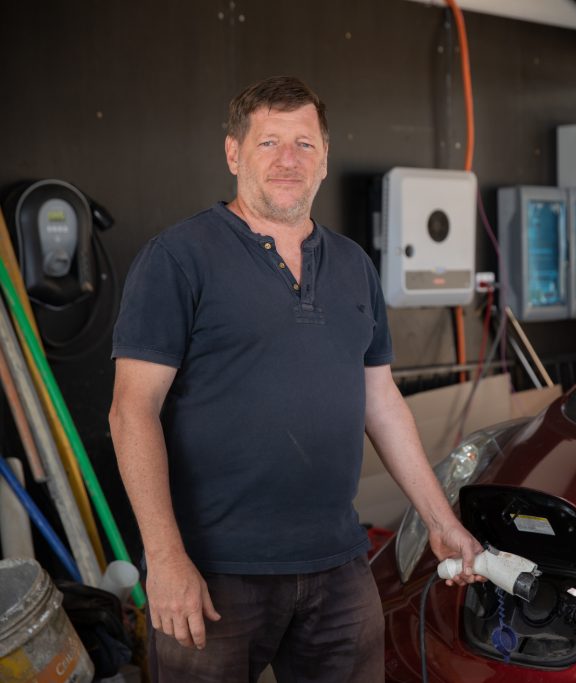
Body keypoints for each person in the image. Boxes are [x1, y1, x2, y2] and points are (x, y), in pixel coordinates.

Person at [108, 75, 483, 682]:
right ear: (233, 153)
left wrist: (441, 522)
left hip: (338, 565)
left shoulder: (355, 267)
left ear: (326, 157)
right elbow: (131, 412)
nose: (288, 160)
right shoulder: (178, 259)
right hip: (213, 570)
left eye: (304, 144)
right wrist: (166, 556)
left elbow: (381, 401)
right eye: (268, 142)